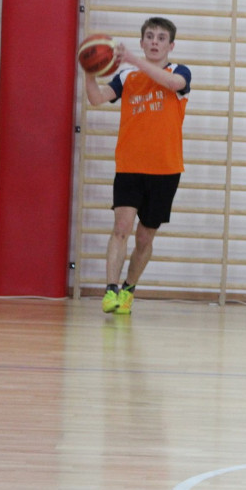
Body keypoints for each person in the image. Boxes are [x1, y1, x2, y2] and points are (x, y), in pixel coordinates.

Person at [82, 16, 191, 315]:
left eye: (161, 38)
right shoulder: (126, 75)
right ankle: (111, 290)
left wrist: (132, 59)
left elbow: (172, 84)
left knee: (144, 237)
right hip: (129, 165)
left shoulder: (179, 72)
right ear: (142, 42)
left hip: (165, 169)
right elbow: (97, 99)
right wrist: (89, 73)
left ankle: (129, 289)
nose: (155, 42)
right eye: (150, 37)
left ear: (171, 45)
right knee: (121, 228)